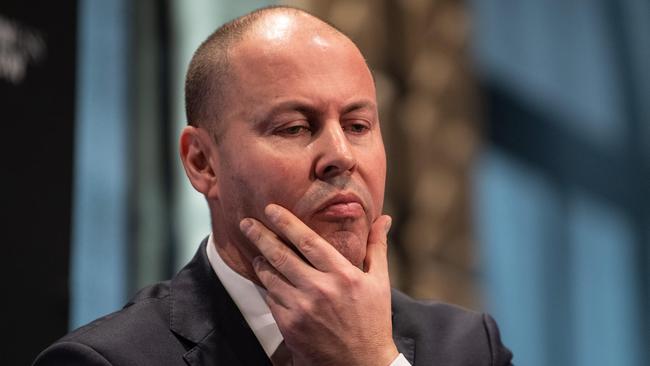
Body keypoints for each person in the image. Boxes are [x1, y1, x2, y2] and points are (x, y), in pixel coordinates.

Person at [33, 6, 512, 366]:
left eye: (358, 125)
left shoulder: (468, 347)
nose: (340, 156)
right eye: (295, 128)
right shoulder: (107, 361)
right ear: (203, 163)